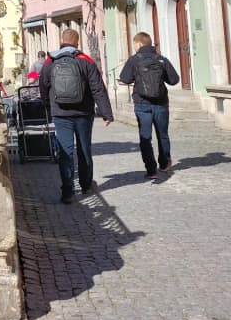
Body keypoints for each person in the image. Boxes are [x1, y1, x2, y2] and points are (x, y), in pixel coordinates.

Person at [39, 29, 113, 204]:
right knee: (84, 148)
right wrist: (106, 113)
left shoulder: (50, 61)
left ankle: (67, 192)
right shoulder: (86, 61)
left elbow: (43, 86)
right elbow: (97, 88)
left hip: (60, 113)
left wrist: (49, 107)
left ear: (61, 41)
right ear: (77, 42)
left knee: (66, 152)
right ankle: (86, 184)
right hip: (83, 114)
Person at [119, 32, 180, 180]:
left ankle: (151, 170)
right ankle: (164, 164)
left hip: (142, 104)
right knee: (162, 134)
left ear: (139, 44)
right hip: (161, 103)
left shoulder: (134, 60)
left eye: (135, 44)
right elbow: (174, 80)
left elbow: (124, 78)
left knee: (145, 136)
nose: (134, 47)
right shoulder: (161, 59)